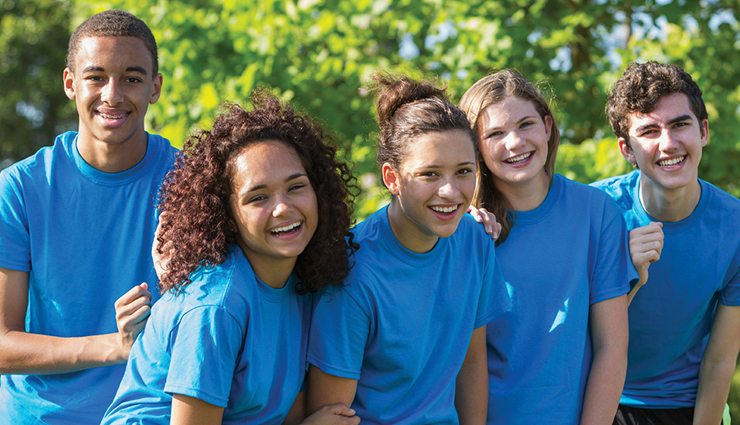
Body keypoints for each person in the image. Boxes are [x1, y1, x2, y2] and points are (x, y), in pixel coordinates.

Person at [102, 94, 361, 424]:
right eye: (258, 197)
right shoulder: (216, 306)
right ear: (227, 214)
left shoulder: (301, 281)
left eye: (296, 187)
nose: (283, 208)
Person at [0, 10, 176, 423]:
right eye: (96, 77)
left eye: (131, 78)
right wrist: (114, 346)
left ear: (155, 87)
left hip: (150, 413)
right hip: (40, 415)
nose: (112, 94)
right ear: (70, 83)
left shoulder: (189, 183)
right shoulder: (20, 189)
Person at [306, 74, 511, 424]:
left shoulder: (475, 242)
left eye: (464, 171)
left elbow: (471, 360)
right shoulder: (352, 271)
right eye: (430, 175)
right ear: (392, 178)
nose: (451, 191)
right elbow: (331, 413)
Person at [459, 69, 635, 425]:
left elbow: (611, 349)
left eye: (525, 125)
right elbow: (462, 361)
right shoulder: (466, 232)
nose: (514, 142)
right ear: (475, 148)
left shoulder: (596, 213)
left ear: (548, 127)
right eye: (495, 134)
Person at [592, 61, 739, 425]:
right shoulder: (595, 214)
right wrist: (624, 273)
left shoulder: (735, 227)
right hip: (599, 398)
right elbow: (570, 337)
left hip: (689, 405)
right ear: (627, 149)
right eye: (649, 131)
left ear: (703, 131)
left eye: (680, 124)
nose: (668, 143)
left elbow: (721, 359)